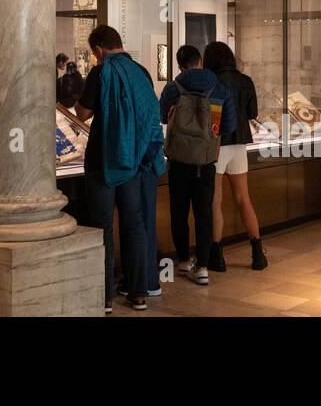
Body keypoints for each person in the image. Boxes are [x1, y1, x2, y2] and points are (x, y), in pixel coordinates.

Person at [75, 24, 165, 313]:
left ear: (99, 50)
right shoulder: (142, 72)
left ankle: (104, 298)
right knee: (134, 224)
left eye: (93, 54)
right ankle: (138, 293)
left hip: (103, 161)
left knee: (102, 227)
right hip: (135, 161)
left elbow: (84, 112)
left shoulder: (101, 72)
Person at [158, 44, 235, 285]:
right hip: (205, 160)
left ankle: (182, 260)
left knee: (178, 212)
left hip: (179, 160)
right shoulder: (219, 88)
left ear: (180, 64)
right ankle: (202, 266)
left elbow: (162, 117)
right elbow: (229, 125)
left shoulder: (173, 89)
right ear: (200, 60)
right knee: (204, 213)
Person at [203, 41, 268, 272]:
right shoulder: (245, 81)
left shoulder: (211, 82)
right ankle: (257, 253)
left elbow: (210, 118)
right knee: (244, 199)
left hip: (218, 145)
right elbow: (252, 113)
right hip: (240, 143)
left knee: (215, 201)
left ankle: (217, 257)